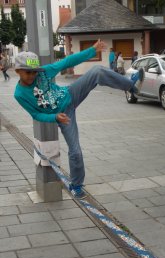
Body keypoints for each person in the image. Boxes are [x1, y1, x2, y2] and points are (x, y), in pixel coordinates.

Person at [14, 39, 144, 199]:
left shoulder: (44, 72)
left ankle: (130, 85)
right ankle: (76, 185)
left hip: (71, 93)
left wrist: (92, 50)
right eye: (28, 72)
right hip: (63, 116)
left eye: (34, 72)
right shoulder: (19, 94)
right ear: (17, 71)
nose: (33, 76)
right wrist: (55, 117)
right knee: (75, 151)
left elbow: (68, 61)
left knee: (97, 71)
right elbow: (36, 114)